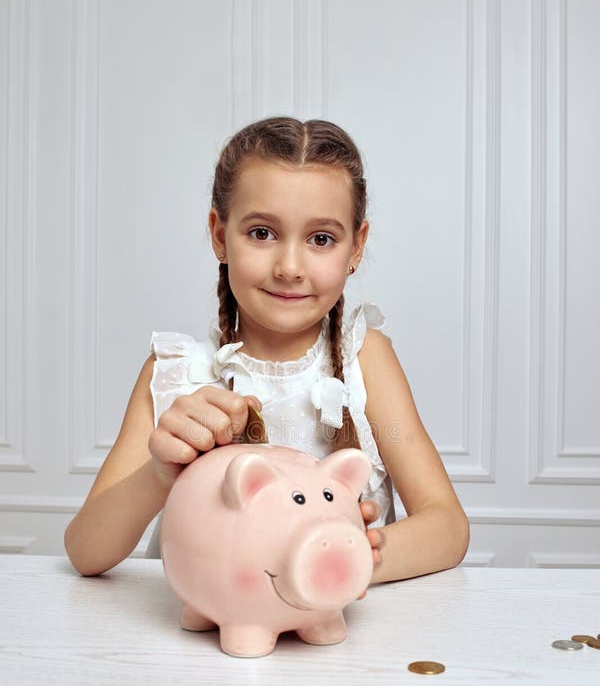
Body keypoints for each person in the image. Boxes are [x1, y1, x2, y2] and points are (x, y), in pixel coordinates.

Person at [64, 116, 469, 599]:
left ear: (355, 246)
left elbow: (447, 527)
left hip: (341, 654)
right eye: (261, 233)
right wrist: (158, 475)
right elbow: (85, 551)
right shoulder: (174, 375)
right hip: (204, 649)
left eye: (321, 239)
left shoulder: (366, 360)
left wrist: (347, 554)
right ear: (219, 234)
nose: (290, 268)